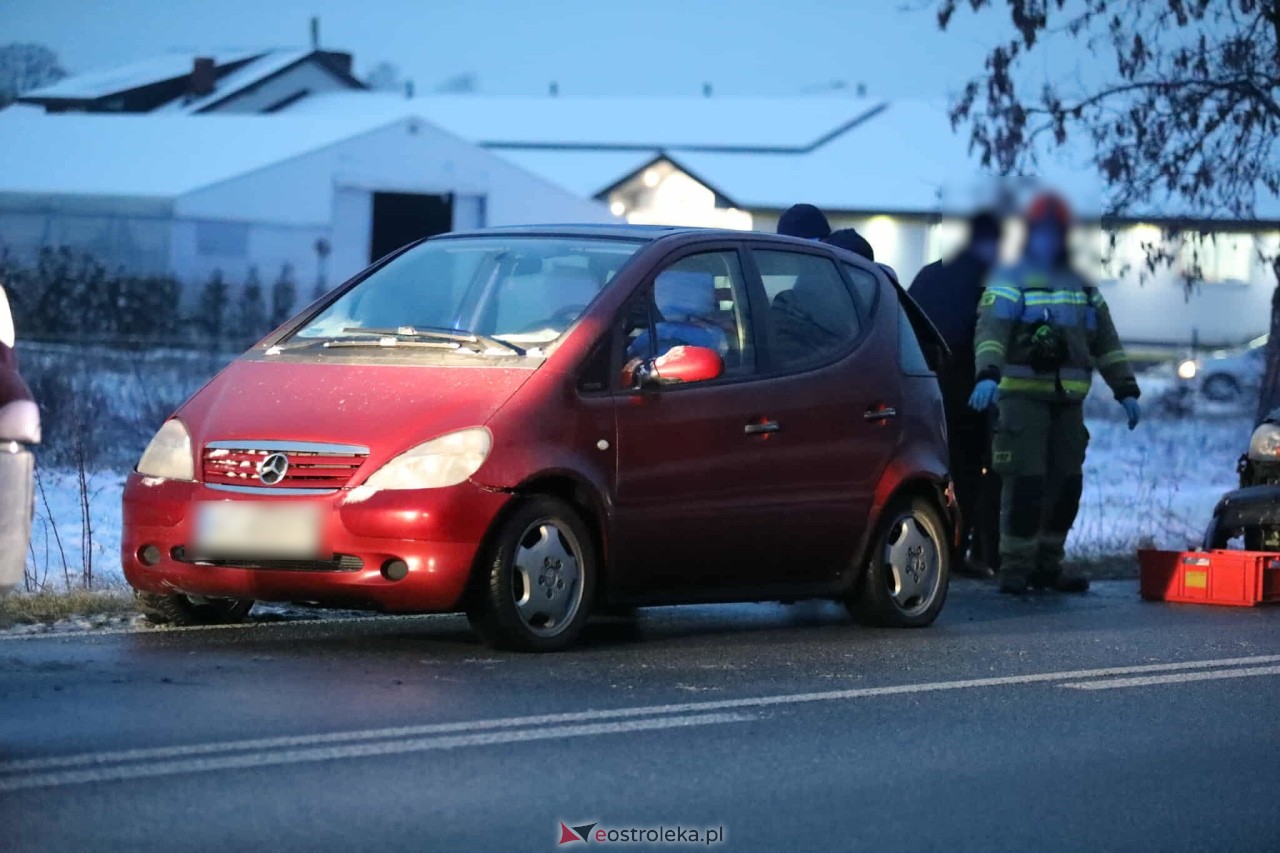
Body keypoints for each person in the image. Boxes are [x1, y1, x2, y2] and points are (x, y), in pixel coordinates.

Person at [969, 193, 1140, 594]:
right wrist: (987, 375)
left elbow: (1107, 343)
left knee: (1066, 485)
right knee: (1025, 484)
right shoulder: (1011, 278)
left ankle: (1048, 565)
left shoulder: (1082, 285)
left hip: (1068, 404)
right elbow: (991, 331)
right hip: (1022, 402)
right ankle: (1015, 568)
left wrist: (1126, 389)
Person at [908, 211, 1003, 576]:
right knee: (972, 477)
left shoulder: (930, 274)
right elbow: (989, 335)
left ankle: (935, 553)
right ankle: (972, 555)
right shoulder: (987, 280)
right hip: (969, 395)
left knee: (930, 475)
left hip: (923, 391)